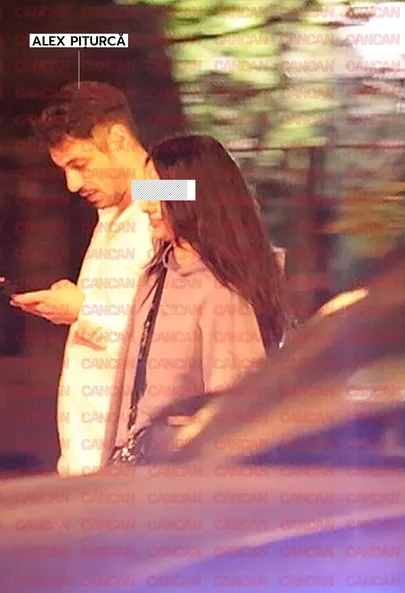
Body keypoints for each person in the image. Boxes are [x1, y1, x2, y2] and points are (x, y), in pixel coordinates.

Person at [107, 134, 289, 465]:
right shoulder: (155, 275)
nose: (145, 204)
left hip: (180, 478)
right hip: (131, 473)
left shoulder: (222, 295)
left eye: (158, 190)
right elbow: (126, 397)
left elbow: (233, 416)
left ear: (193, 197)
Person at [10, 82, 154, 477]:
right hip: (88, 461)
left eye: (81, 165)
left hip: (136, 465)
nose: (73, 185)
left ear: (118, 139)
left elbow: (168, 336)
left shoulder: (171, 202)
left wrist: (83, 311)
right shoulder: (115, 211)